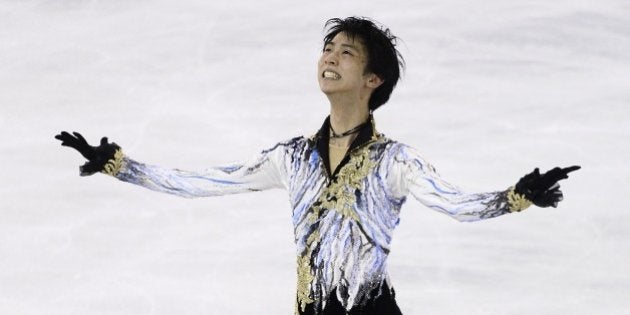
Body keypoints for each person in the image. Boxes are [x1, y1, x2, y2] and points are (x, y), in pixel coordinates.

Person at [55, 17, 580, 315]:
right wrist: (120, 165)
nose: (330, 56)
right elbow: (203, 182)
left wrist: (518, 194)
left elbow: (455, 204)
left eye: (346, 52)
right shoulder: (292, 157)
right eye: (327, 48)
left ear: (373, 79)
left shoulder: (394, 161)